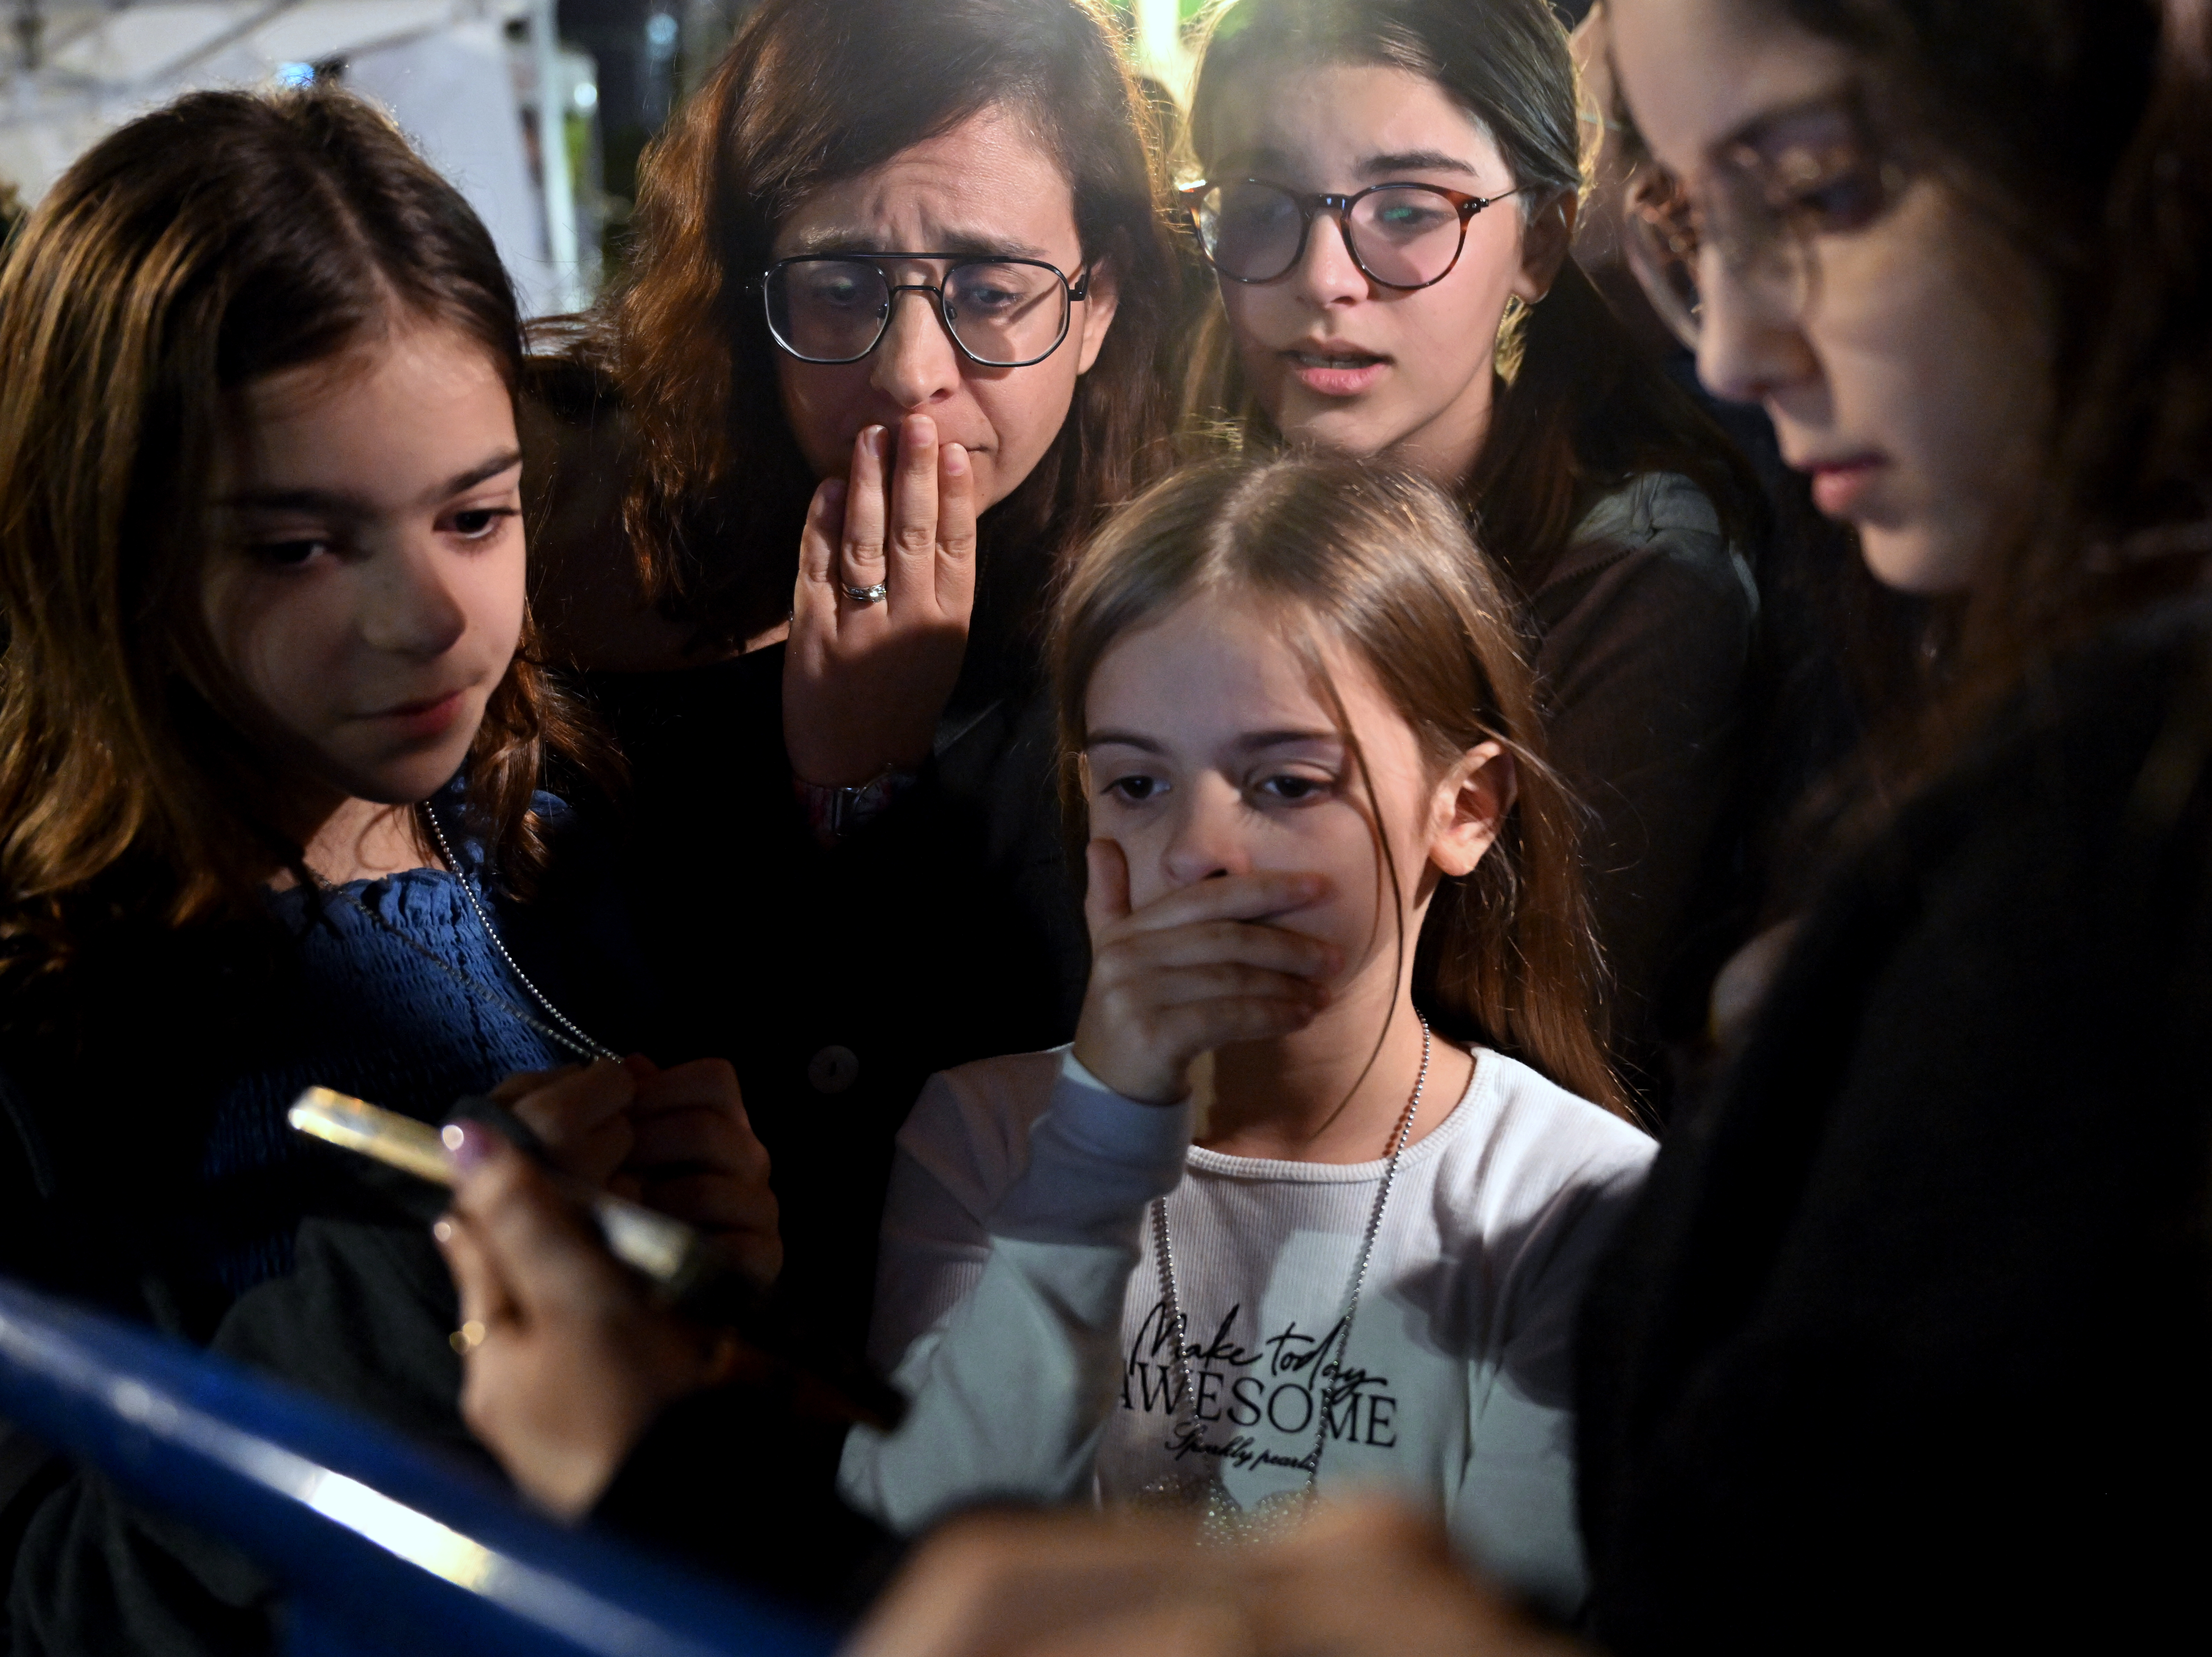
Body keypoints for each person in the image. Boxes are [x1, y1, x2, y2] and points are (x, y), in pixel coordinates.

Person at [823, 0, 2212, 1651]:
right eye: (1131, 779)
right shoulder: (1005, 1117)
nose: (1741, 345)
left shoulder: (1712, 624)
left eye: (1824, 188)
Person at [436, 454, 1655, 1619]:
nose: (1193, 852)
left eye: (1286, 784)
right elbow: (914, 1553)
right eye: (1136, 784)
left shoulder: (1573, 1200)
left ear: (1464, 807)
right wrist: (1111, 1115)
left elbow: (1496, 1622)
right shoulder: (989, 1131)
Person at [0, 89, 775, 1653]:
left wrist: (712, 1288)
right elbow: (44, 1601)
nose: (428, 615)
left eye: (476, 514)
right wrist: (409, 1292)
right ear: (106, 541)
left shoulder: (556, 840)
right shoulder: (41, 997)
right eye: (300, 546)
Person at [530, 0, 1182, 1364]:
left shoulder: (1162, 653)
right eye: (837, 286)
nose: (907, 376)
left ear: (1098, 302)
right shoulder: (601, 584)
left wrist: (864, 795)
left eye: (990, 291)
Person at [1177, 0, 1766, 1107]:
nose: (1325, 278)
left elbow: (1543, 1042)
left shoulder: (1636, 576)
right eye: (1262, 206)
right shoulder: (1181, 519)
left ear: (1537, 243)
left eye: (1406, 209)